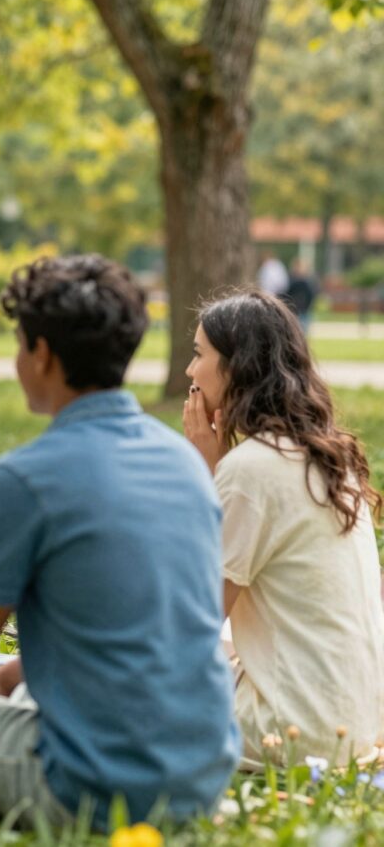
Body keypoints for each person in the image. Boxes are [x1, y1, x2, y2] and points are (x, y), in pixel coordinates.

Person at [0, 256, 239, 829]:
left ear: (43, 355)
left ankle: (21, 808)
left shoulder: (27, 478)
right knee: (12, 686)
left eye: (20, 343)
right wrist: (5, 678)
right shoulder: (184, 460)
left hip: (96, 788)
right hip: (201, 775)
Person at [183, 289, 384, 767]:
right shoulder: (328, 457)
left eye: (198, 354)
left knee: (111, 689)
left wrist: (205, 479)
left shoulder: (251, 470)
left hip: (293, 732)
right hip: (358, 721)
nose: (189, 371)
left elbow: (192, 622)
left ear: (235, 367)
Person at [283, 257, 319, 334]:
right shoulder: (290, 280)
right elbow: (287, 294)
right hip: (293, 310)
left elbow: (312, 295)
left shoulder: (308, 282)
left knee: (303, 333)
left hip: (304, 311)